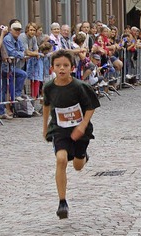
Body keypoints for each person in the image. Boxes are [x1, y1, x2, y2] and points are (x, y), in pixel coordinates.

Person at [42, 49, 100, 219]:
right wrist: (45, 128)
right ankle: (62, 202)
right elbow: (46, 106)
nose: (62, 69)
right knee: (60, 159)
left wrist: (82, 126)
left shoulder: (80, 86)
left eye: (66, 65)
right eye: (58, 65)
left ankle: (83, 155)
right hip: (60, 129)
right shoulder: (49, 87)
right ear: (52, 68)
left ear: (72, 68)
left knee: (78, 166)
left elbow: (91, 107)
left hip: (80, 131)